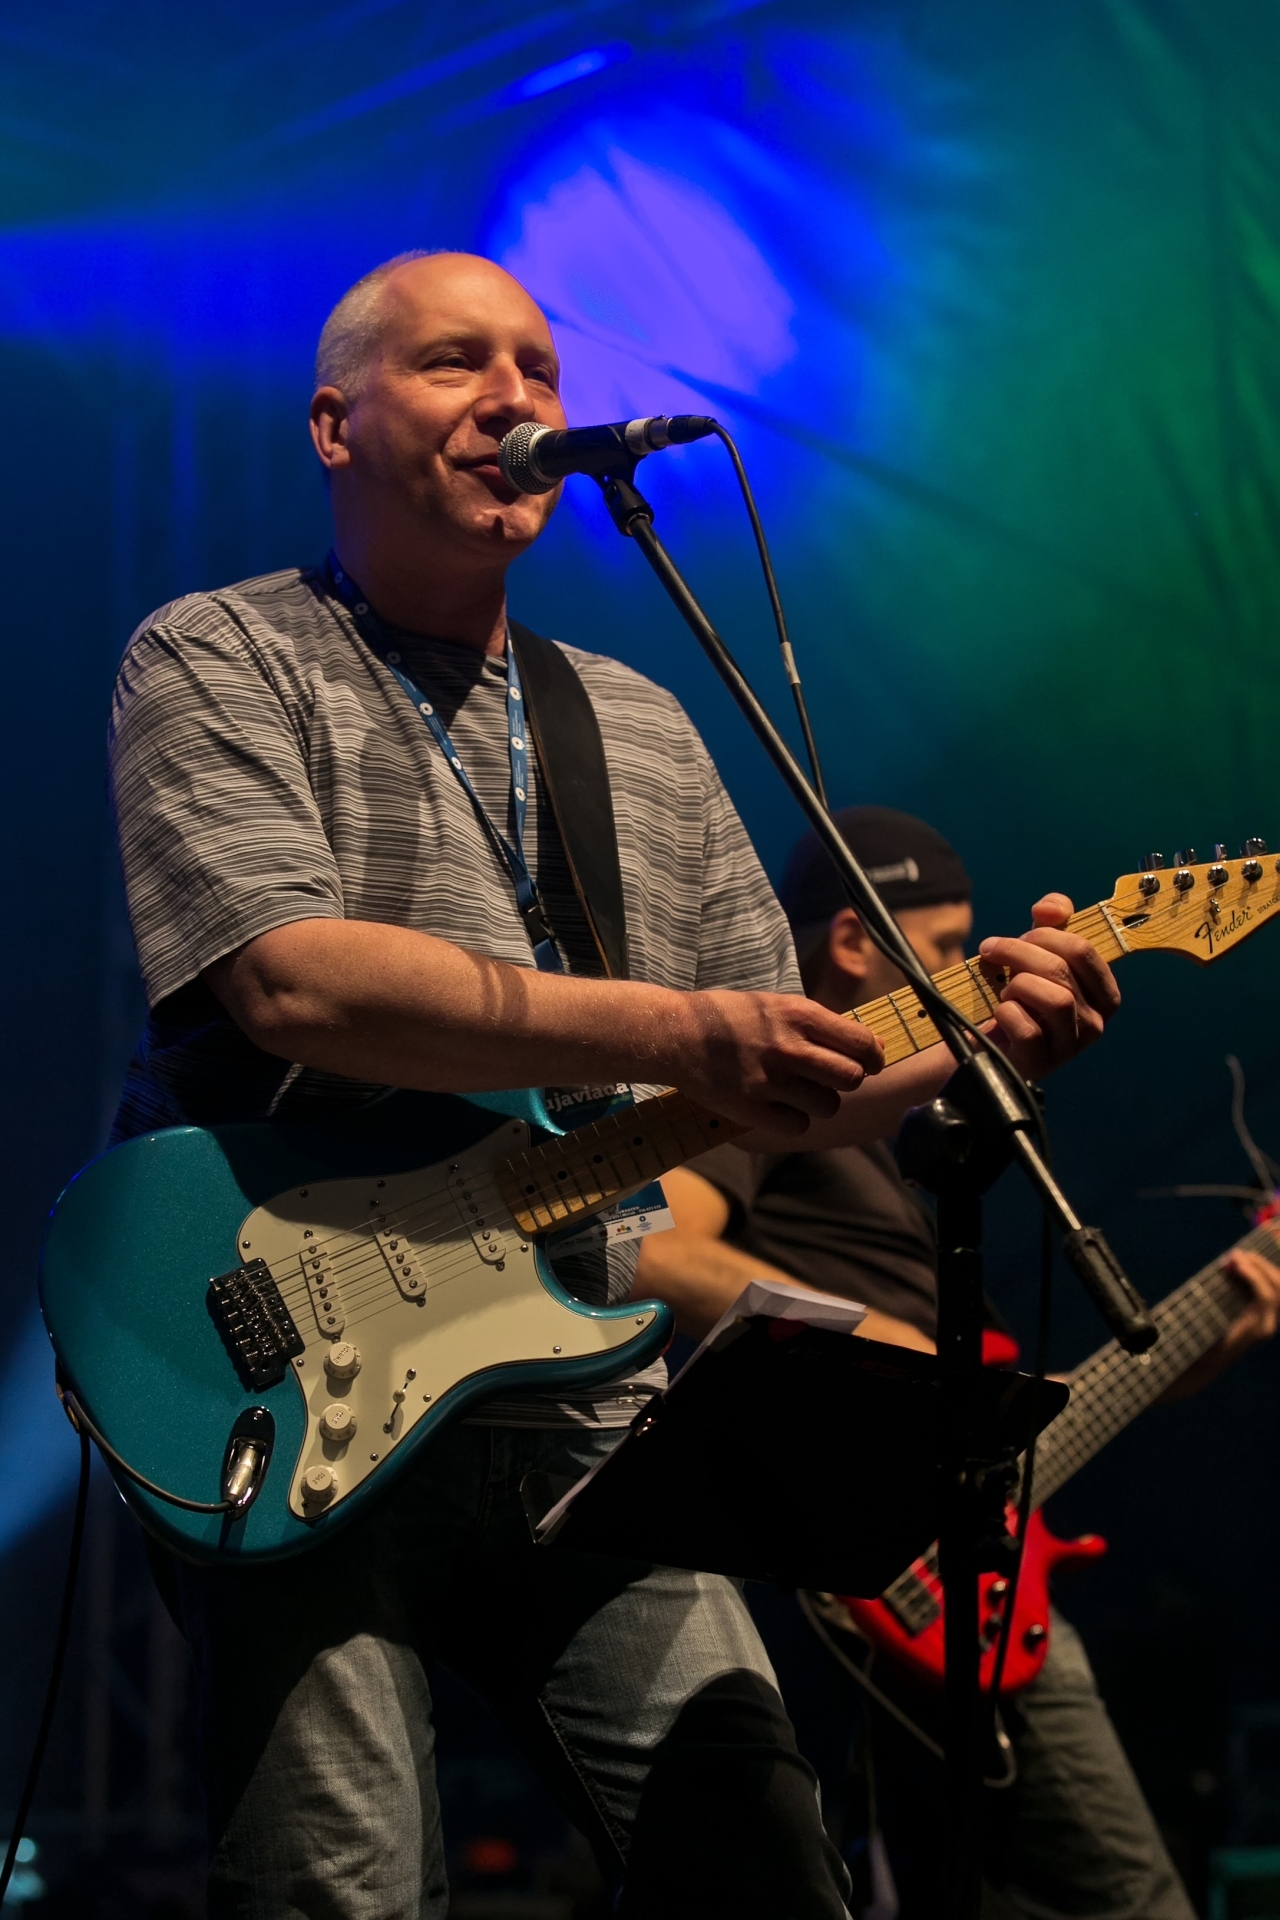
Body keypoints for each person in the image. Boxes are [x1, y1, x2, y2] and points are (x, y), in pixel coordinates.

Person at [108, 251, 1119, 1920]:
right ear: (335, 424)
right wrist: (674, 1031)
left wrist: (983, 1037)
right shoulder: (221, 652)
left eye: (540, 367)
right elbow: (290, 981)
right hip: (292, 1361)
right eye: (456, 362)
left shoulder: (636, 723)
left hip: (588, 1392)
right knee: (342, 1885)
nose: (517, 397)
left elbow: (784, 1088)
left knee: (766, 1866)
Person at [635, 805, 1280, 1920]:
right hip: (876, 1565)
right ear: (853, 941)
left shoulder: (874, 1147)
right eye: (942, 947)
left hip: (964, 1561)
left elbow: (1008, 1414)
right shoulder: (763, 1098)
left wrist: (1188, 1350)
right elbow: (657, 1251)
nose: (965, 972)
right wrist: (892, 1354)